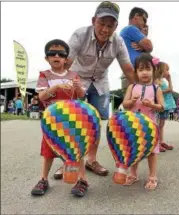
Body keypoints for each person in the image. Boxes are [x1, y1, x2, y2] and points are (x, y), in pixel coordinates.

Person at [53, 1, 136, 180]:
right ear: (93, 20)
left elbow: (128, 70)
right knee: (73, 121)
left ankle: (91, 160)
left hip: (100, 82)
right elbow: (66, 62)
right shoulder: (80, 35)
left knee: (96, 121)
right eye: (102, 24)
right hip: (77, 79)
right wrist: (60, 84)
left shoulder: (119, 42)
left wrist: (141, 91)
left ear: (116, 26)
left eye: (110, 25)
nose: (105, 30)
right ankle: (68, 161)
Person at [31, 39, 86, 197]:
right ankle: (43, 179)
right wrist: (55, 87)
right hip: (52, 122)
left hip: (71, 121)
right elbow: (41, 96)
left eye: (61, 54)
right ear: (46, 58)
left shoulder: (74, 75)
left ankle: (80, 179)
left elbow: (81, 96)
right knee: (48, 152)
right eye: (52, 53)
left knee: (75, 151)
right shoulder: (45, 75)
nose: (56, 56)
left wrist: (77, 88)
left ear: (66, 58)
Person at [122, 53, 164, 189]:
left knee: (152, 152)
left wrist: (152, 105)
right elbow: (125, 104)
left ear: (154, 70)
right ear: (136, 72)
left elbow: (162, 107)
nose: (144, 73)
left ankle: (152, 176)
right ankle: (133, 174)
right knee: (134, 150)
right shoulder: (132, 87)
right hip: (134, 125)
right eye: (140, 70)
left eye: (147, 69)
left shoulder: (156, 89)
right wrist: (132, 101)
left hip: (150, 126)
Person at [120, 7, 153, 89]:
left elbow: (147, 50)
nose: (145, 24)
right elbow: (149, 46)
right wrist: (145, 41)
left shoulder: (127, 31)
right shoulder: (130, 28)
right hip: (134, 74)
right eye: (144, 20)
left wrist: (143, 47)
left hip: (135, 73)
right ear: (136, 16)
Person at [154, 62, 176, 152]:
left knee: (161, 125)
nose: (168, 72)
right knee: (158, 124)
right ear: (162, 70)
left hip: (167, 105)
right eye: (167, 69)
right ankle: (156, 143)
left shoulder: (162, 81)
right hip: (161, 104)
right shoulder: (156, 80)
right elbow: (158, 92)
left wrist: (169, 80)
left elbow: (171, 88)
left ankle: (161, 142)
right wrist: (167, 89)